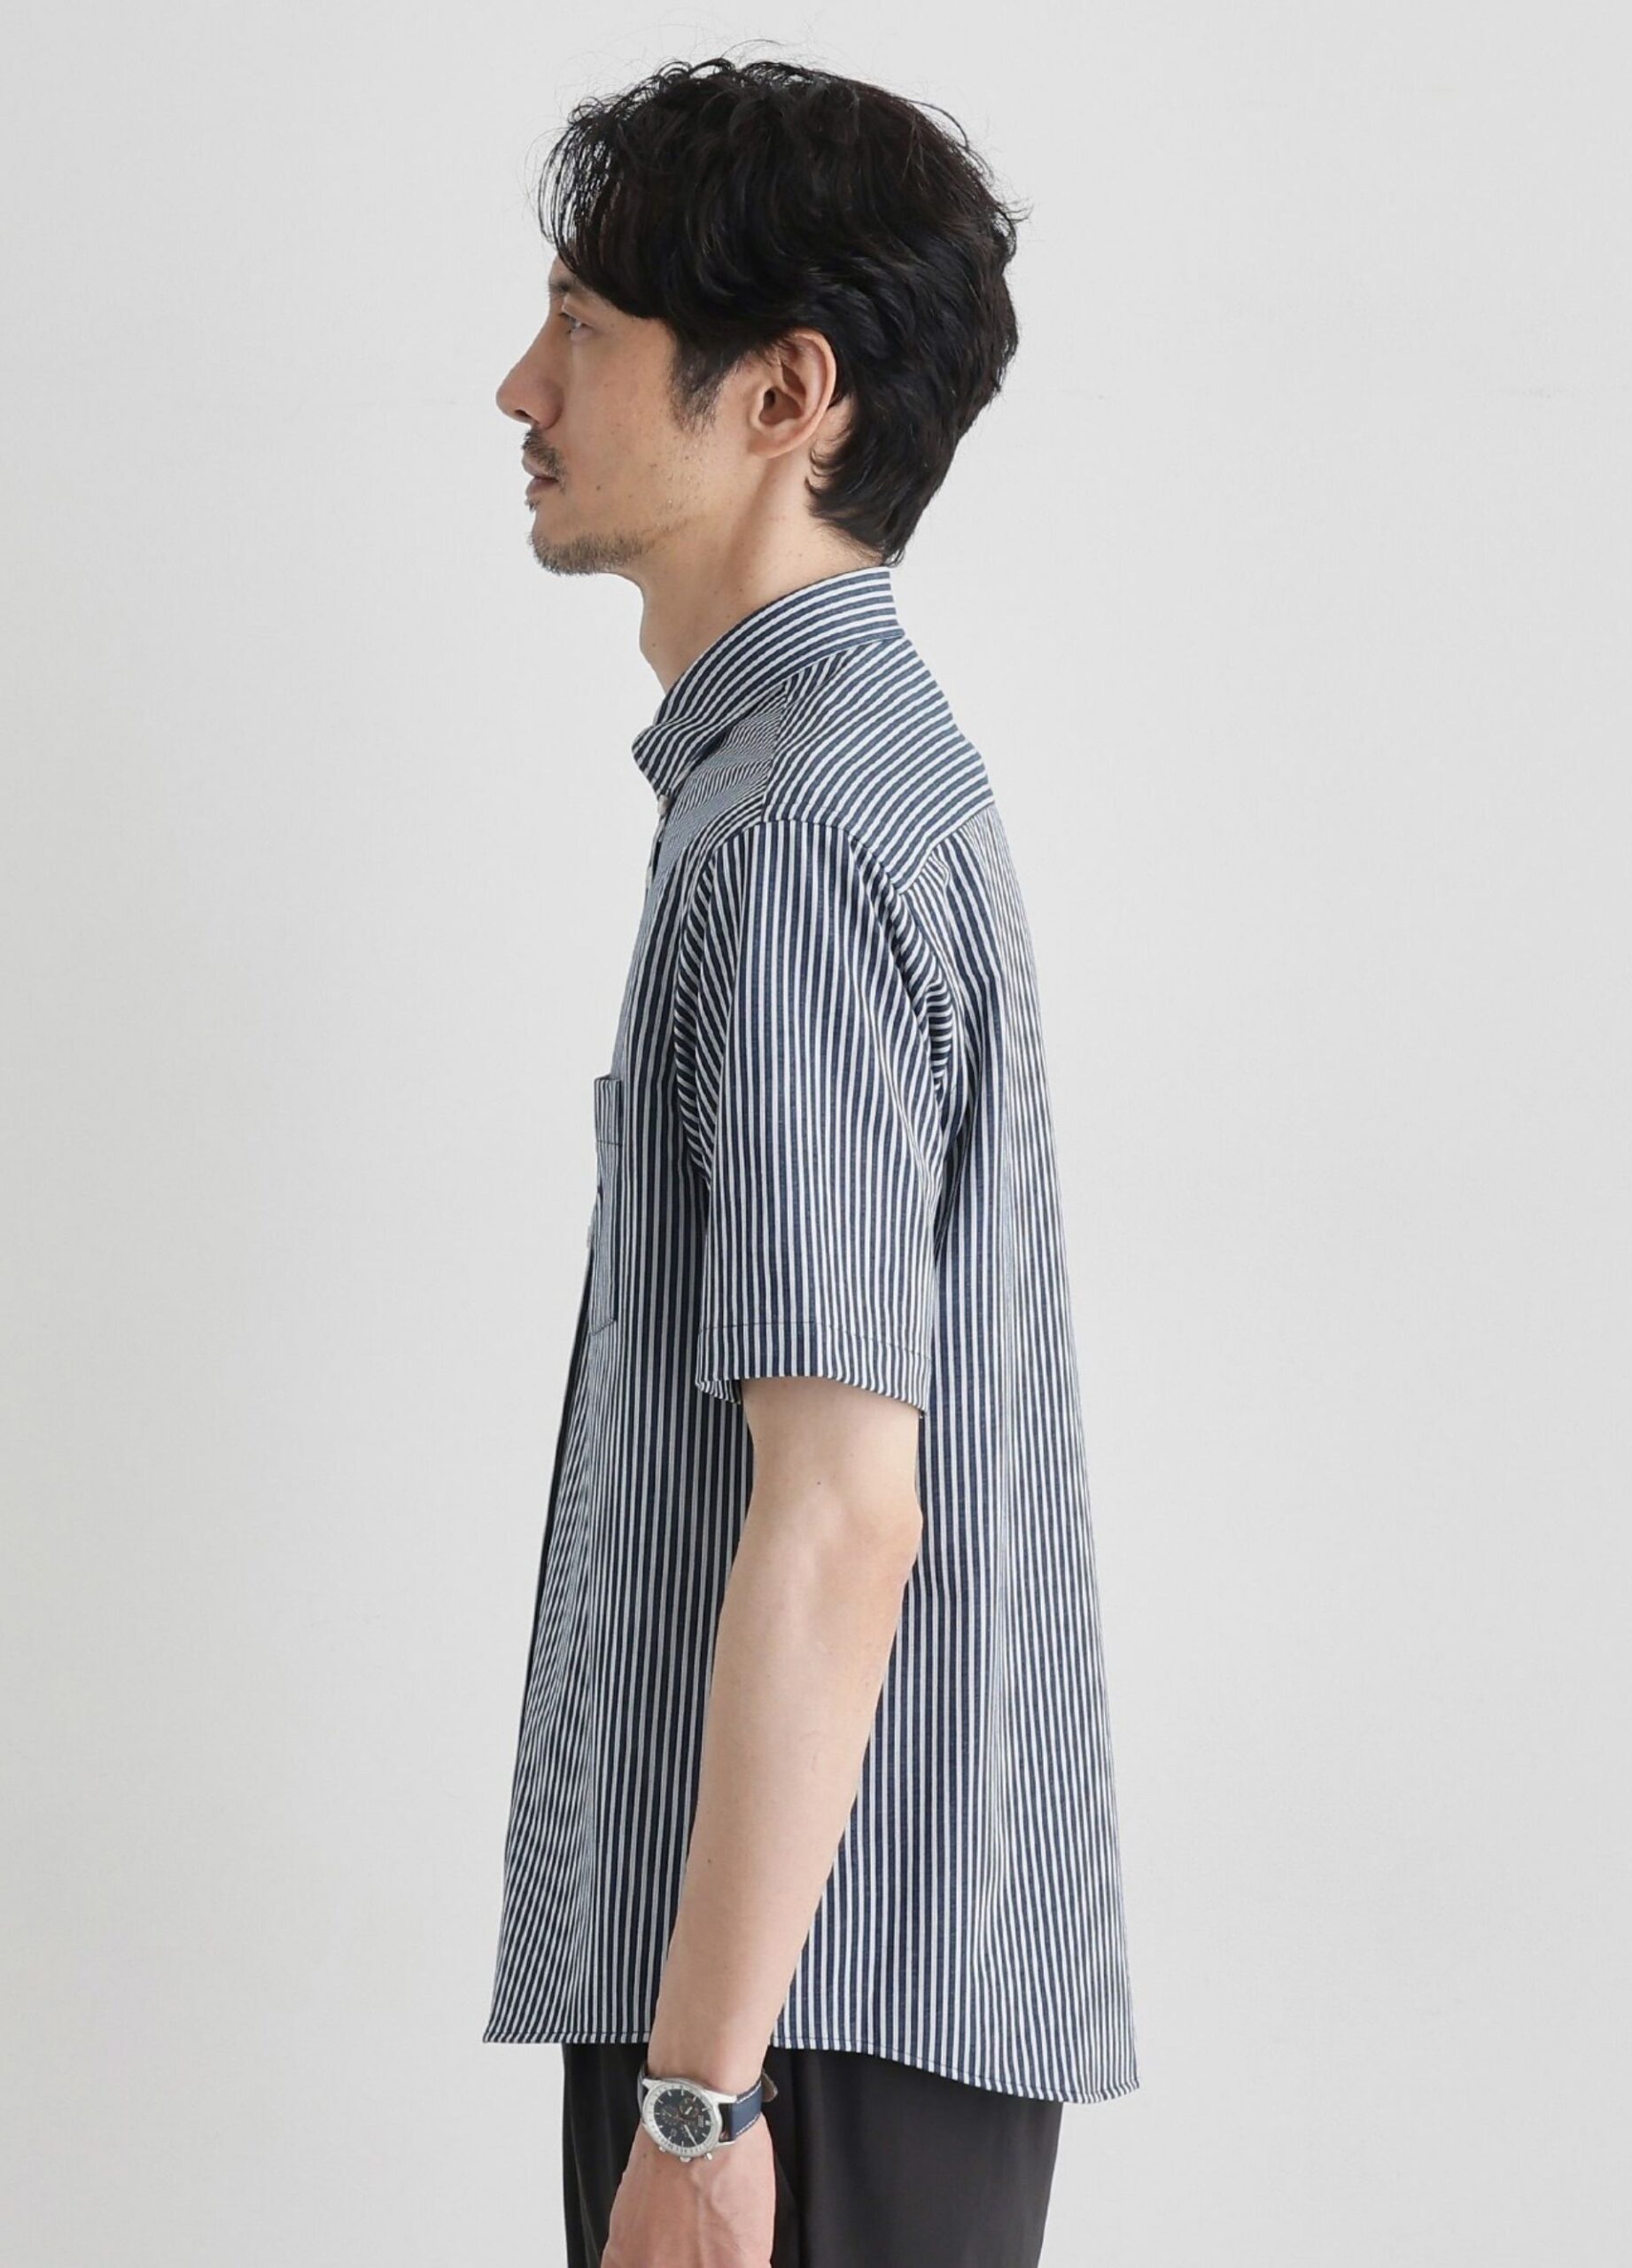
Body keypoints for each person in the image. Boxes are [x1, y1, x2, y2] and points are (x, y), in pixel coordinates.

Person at [487, 52, 1140, 2267]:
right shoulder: (834, 784)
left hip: (795, 2024)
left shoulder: (796, 833)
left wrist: (697, 2097)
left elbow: (848, 1505)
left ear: (785, 394)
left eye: (583, 328)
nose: (522, 388)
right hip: (825, 1995)